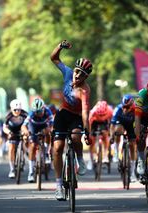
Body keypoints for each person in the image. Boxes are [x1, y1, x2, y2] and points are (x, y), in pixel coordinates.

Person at [50, 40, 92, 200]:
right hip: (63, 113)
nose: (77, 75)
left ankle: (80, 159)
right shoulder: (67, 73)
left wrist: (87, 131)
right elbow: (54, 58)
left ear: (86, 77)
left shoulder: (84, 90)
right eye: (77, 71)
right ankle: (58, 185)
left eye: (82, 74)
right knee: (58, 147)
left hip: (77, 116)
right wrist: (60, 46)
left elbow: (84, 112)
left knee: (75, 137)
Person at [21, 97, 54, 182]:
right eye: (36, 112)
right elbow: (24, 126)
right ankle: (31, 172)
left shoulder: (48, 111)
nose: (38, 113)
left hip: (44, 125)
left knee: (48, 132)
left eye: (39, 111)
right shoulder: (31, 113)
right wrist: (26, 132)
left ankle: (46, 153)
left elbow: (52, 125)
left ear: (43, 108)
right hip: (33, 126)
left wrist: (51, 129)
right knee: (32, 146)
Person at [110, 94, 137, 182]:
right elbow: (112, 125)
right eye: (124, 107)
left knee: (133, 146)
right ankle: (117, 152)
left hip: (131, 125)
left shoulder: (135, 109)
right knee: (118, 130)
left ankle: (133, 173)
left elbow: (139, 124)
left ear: (131, 106)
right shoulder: (118, 109)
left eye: (127, 107)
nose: (125, 109)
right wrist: (111, 137)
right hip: (121, 123)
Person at [3, 99, 28, 179]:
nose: (17, 111)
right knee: (11, 148)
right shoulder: (8, 116)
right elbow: (4, 128)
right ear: (11, 109)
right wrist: (9, 132)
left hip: (22, 131)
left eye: (19, 110)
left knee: (25, 143)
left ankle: (23, 157)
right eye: (15, 110)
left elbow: (30, 124)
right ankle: (12, 169)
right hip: (12, 132)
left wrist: (26, 133)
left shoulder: (25, 114)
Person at [88, 100, 113, 169]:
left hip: (104, 122)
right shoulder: (93, 112)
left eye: (102, 114)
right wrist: (89, 134)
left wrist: (110, 133)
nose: (101, 116)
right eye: (100, 114)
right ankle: (92, 158)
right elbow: (89, 124)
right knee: (91, 140)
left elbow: (112, 124)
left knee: (106, 135)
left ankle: (105, 155)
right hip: (95, 121)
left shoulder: (110, 111)